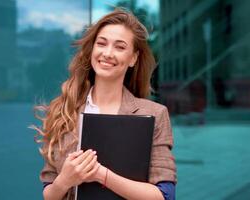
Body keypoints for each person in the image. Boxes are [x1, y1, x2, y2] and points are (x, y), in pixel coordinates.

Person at [34, 9, 177, 200]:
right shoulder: (63, 110)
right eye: (101, 44)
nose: (108, 53)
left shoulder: (155, 114)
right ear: (92, 49)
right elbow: (49, 194)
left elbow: (165, 196)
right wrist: (65, 180)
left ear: (133, 58)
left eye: (120, 47)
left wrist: (102, 175)